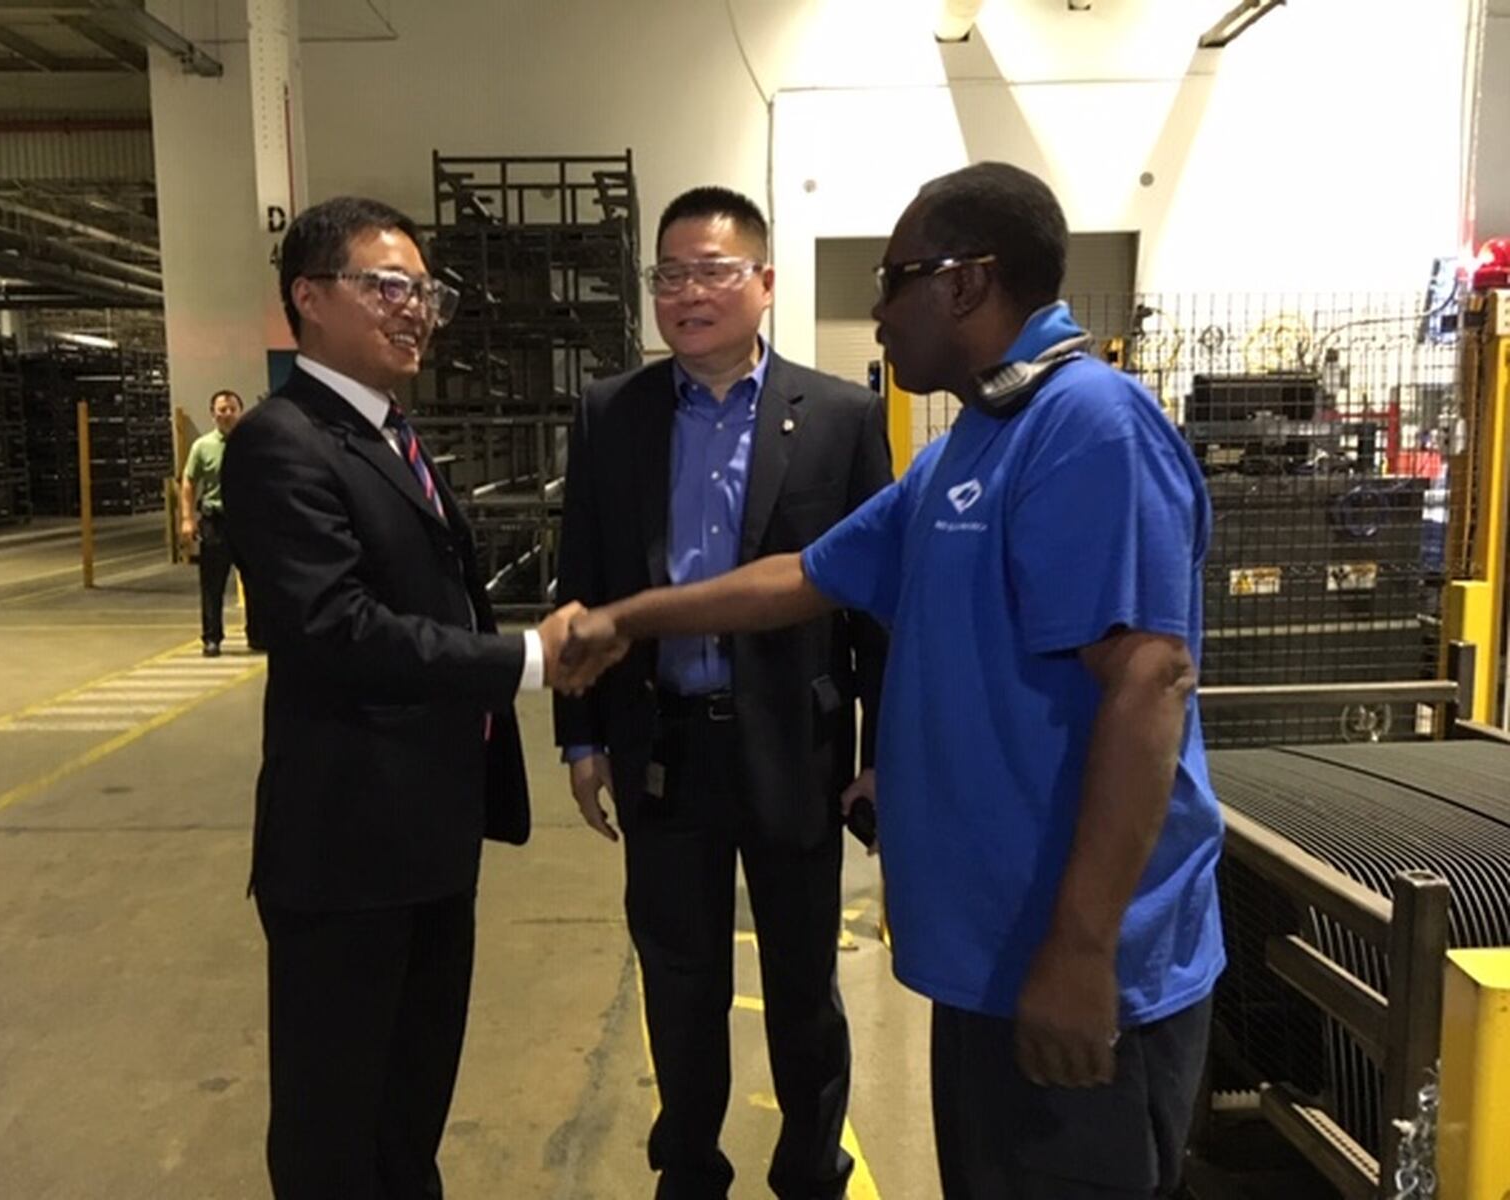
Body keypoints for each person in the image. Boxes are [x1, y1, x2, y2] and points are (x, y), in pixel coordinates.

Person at [563, 163, 1225, 1200]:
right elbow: (803, 576)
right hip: (990, 952)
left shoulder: (1089, 426)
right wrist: (621, 621)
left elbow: (1149, 682)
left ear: (965, 285)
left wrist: (1081, 949)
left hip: (1077, 967)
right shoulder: (975, 441)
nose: (875, 313)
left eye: (893, 281)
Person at [221, 196, 607, 1200]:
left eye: (424, 291)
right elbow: (333, 628)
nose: (415, 310)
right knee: (333, 1125)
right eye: (386, 286)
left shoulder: (390, 432)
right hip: (345, 847)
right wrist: (521, 659)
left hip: (426, 834)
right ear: (309, 298)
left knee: (409, 1109)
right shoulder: (283, 441)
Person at [554, 186, 892, 1200]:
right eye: (669, 274)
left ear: (764, 284)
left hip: (793, 746)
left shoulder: (838, 416)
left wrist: (883, 752)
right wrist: (581, 736)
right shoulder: (613, 413)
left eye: (711, 271)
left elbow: (874, 602)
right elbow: (584, 581)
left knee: (800, 979)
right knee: (679, 974)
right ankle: (689, 1169)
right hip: (663, 744)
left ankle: (808, 1166)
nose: (688, 293)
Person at [179, 388, 247, 656]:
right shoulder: (202, 446)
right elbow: (188, 482)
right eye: (222, 410)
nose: (227, 414)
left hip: (247, 522)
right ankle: (212, 638)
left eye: (232, 409)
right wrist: (186, 519)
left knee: (257, 582)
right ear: (213, 414)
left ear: (240, 412)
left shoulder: (253, 442)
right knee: (212, 584)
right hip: (215, 522)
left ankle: (260, 634)